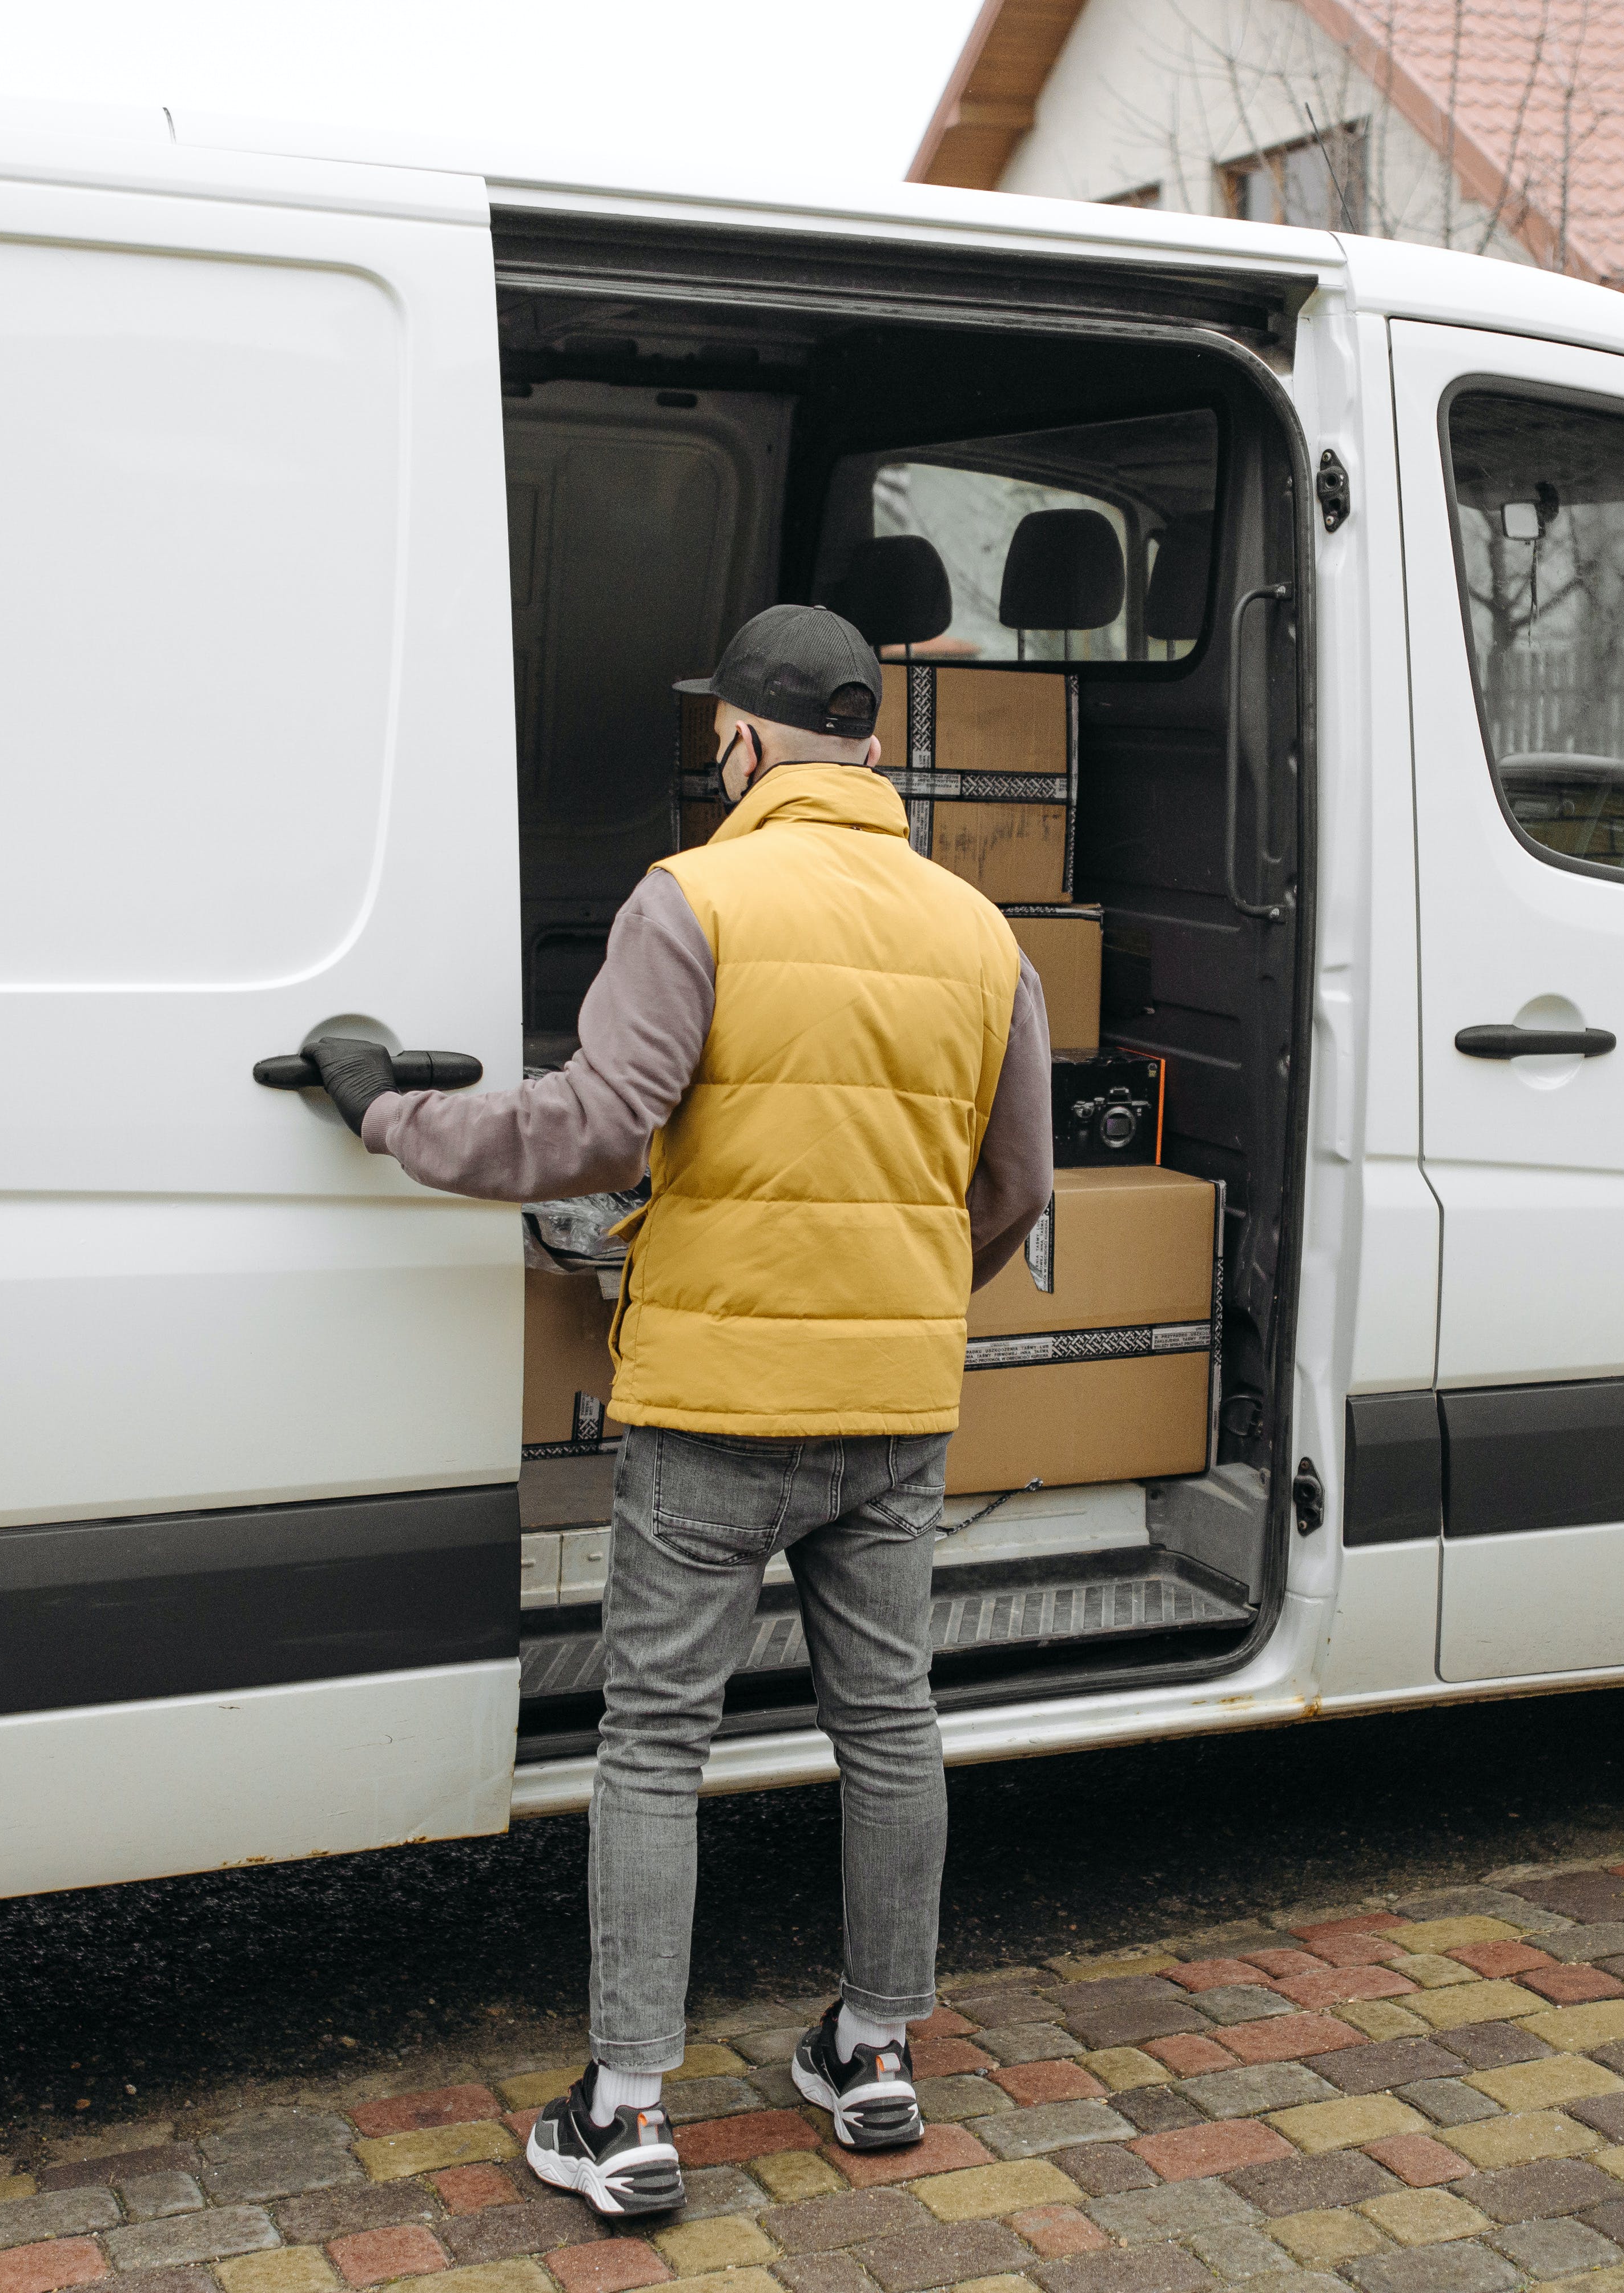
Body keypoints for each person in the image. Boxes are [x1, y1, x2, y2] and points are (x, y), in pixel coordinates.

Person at [303, 602, 1054, 2220]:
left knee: (655, 1743)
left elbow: (589, 1128)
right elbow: (1018, 1185)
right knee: (890, 1723)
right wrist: (909, 1298)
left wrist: (386, 1113)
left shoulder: (693, 897)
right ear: (868, 738)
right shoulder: (976, 929)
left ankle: (630, 2114)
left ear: (741, 738)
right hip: (897, 1400)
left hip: (718, 1402)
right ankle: (872, 2057)